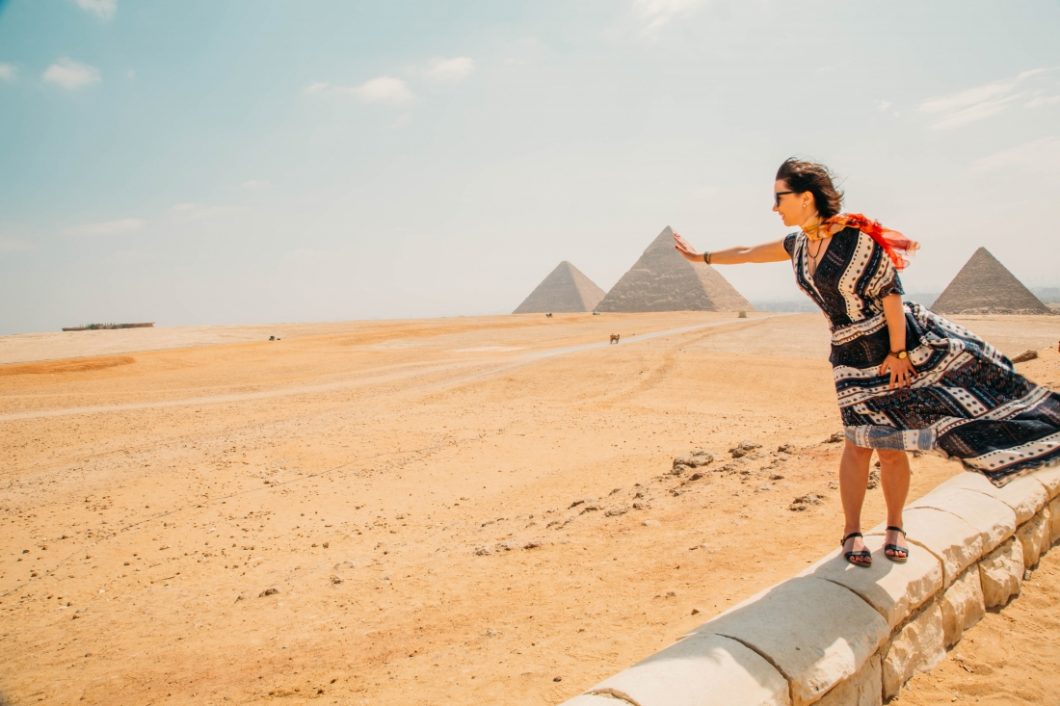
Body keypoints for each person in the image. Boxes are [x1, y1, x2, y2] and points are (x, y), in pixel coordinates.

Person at [673, 157, 1060, 567]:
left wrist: (898, 354)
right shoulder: (799, 244)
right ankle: (852, 530)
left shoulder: (857, 238)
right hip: (845, 355)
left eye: (779, 198)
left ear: (806, 198)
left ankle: (895, 525)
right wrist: (702, 258)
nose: (774, 207)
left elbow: (890, 293)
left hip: (886, 352)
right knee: (857, 444)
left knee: (891, 447)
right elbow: (749, 252)